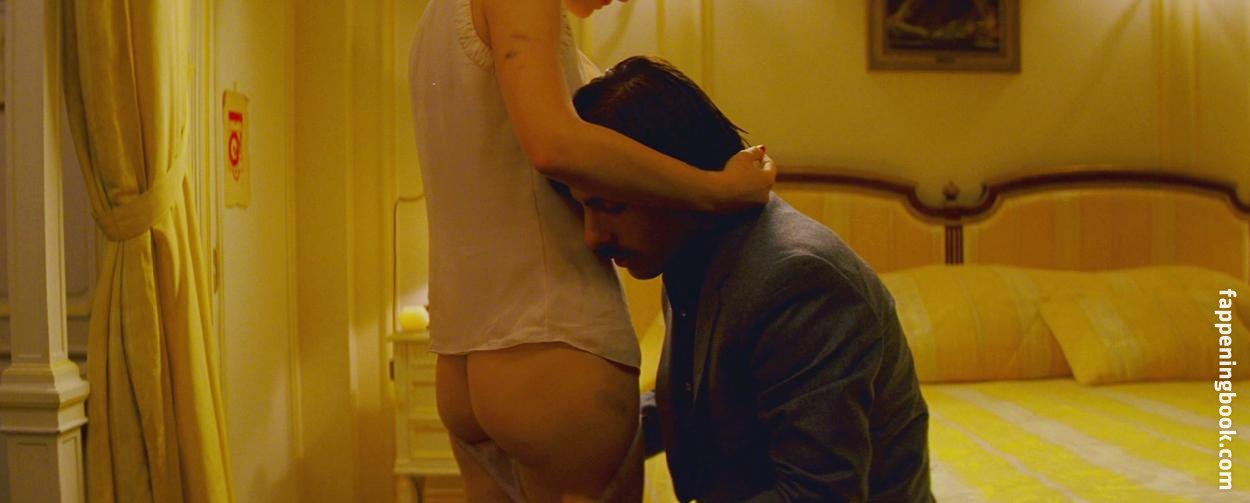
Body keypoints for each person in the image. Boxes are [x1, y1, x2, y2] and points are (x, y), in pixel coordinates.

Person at [408, 0, 776, 501]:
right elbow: (553, 145)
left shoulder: (435, 20)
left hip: (463, 365)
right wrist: (718, 190)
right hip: (552, 344)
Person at [568, 56, 934, 502]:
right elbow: (710, 401)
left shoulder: (798, 279)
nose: (594, 237)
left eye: (611, 207)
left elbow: (820, 494)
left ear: (677, 176)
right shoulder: (694, 249)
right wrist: (568, 443)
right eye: (584, 208)